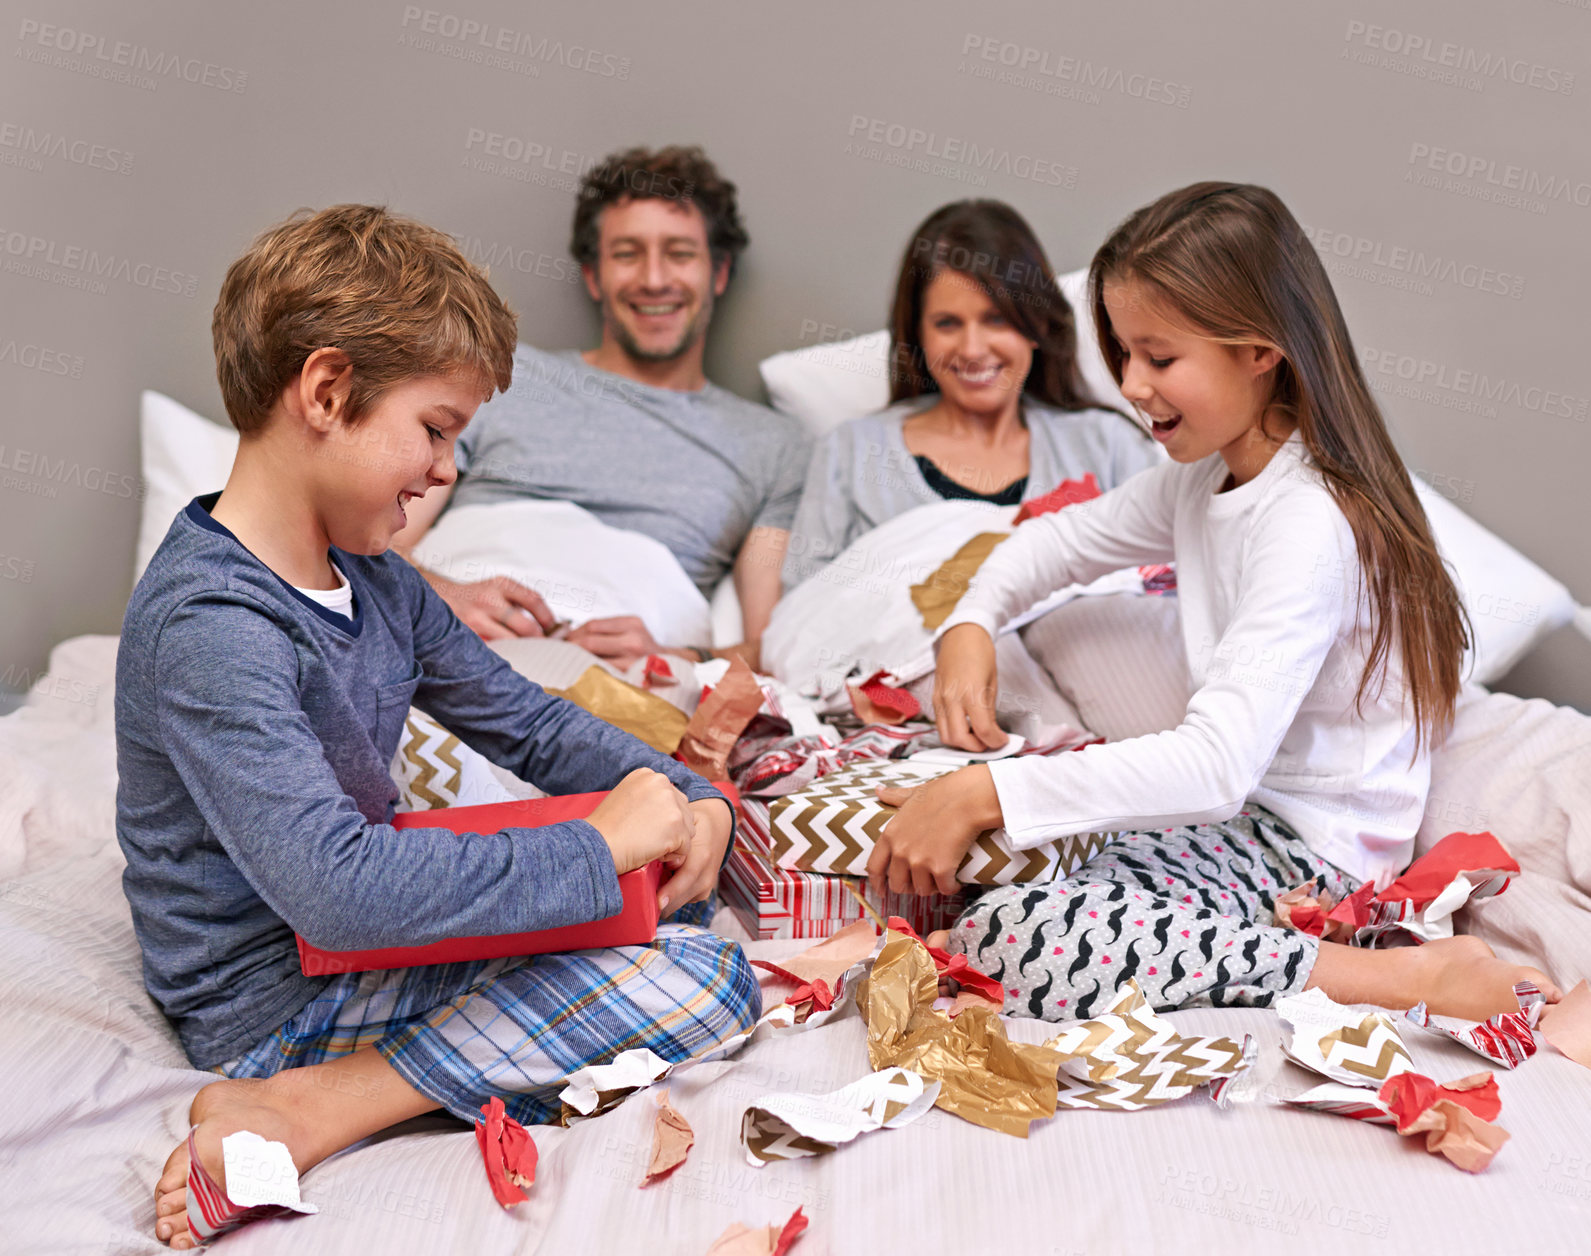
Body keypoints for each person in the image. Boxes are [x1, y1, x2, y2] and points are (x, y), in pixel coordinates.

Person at [117, 206, 760, 1249]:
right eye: (434, 427)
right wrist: (596, 844)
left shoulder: (377, 579)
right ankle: (316, 1101)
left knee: (674, 922)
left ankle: (380, 1078)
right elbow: (337, 889)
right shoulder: (211, 625)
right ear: (326, 392)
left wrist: (696, 796)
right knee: (706, 979)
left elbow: (533, 728)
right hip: (268, 1001)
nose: (444, 467)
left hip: (352, 953)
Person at [864, 183, 1558, 1024]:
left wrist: (988, 790)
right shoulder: (1206, 479)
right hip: (1233, 831)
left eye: (1158, 359)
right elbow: (1057, 543)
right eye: (1121, 355)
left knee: (1014, 936)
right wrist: (971, 622)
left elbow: (1218, 765)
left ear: (1259, 351)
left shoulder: (1307, 519)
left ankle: (1406, 978)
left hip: (1312, 857)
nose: (1129, 385)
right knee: (984, 873)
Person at [394, 145, 810, 670]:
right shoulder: (502, 375)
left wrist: (674, 657)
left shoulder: (774, 445)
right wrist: (442, 596)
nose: (654, 278)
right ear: (594, 275)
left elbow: (774, 651)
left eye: (680, 253)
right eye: (628, 253)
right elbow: (377, 540)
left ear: (719, 273)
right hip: (446, 634)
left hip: (619, 677)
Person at [782, 199, 1157, 590]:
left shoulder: (1108, 446)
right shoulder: (851, 452)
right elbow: (803, 616)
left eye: (996, 319)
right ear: (918, 335)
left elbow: (1168, 584)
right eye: (947, 324)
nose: (973, 349)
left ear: (1036, 325)